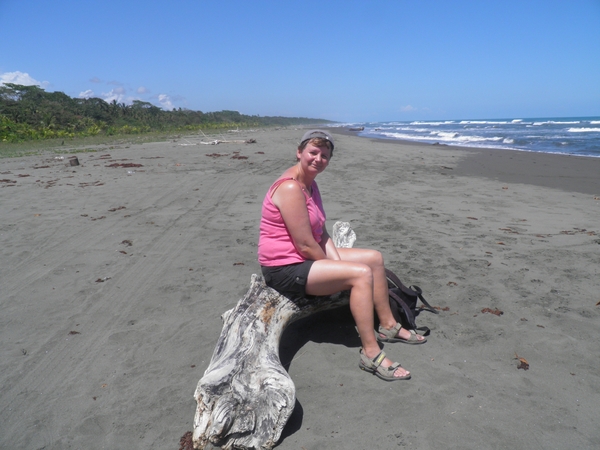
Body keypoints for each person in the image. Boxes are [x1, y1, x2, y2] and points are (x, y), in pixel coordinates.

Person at [258, 130, 426, 381]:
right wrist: (342, 271)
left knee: (373, 258)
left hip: (302, 257)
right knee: (360, 275)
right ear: (299, 152)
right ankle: (371, 353)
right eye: (313, 152)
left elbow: (322, 233)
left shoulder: (310, 185)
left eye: (325, 155)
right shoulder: (291, 187)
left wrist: (337, 264)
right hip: (284, 268)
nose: (318, 159)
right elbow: (305, 245)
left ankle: (389, 326)